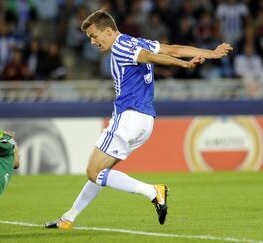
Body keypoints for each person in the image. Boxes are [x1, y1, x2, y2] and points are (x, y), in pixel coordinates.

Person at [45, 9, 233, 229]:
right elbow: (173, 49)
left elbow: (150, 57)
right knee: (100, 173)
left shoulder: (121, 46)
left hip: (129, 116)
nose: (93, 42)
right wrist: (211, 52)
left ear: (108, 31)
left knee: (93, 171)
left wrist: (186, 65)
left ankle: (153, 191)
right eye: (89, 39)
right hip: (145, 121)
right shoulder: (138, 41)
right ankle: (69, 218)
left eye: (94, 36)